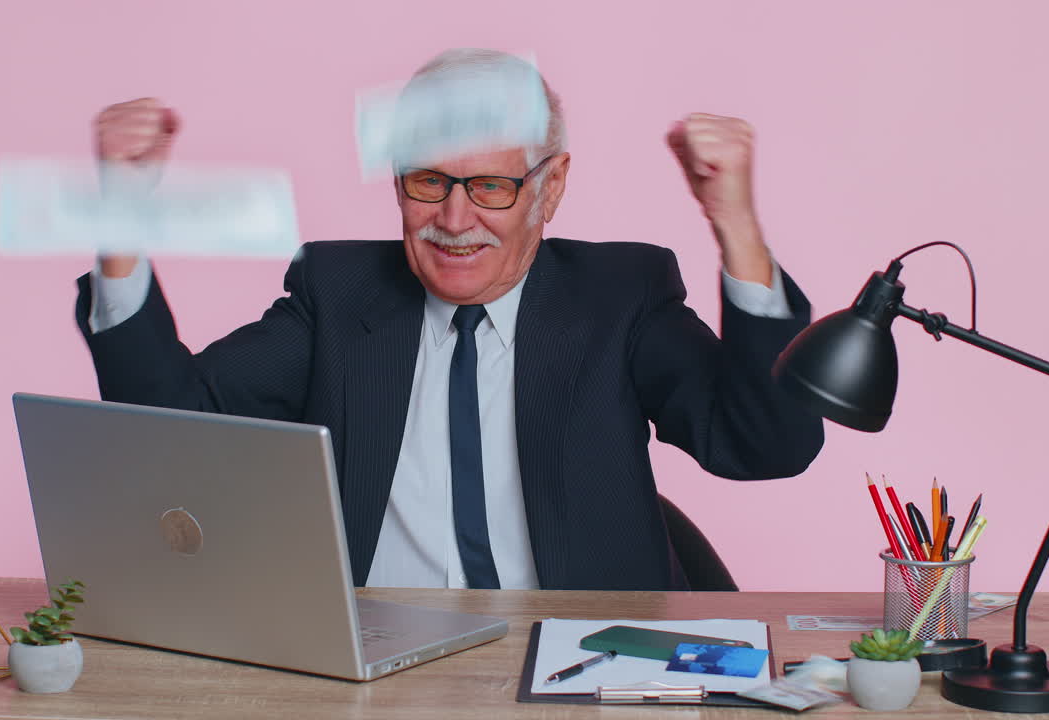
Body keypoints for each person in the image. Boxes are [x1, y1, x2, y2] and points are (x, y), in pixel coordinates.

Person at [75, 48, 824, 592]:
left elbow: (766, 444)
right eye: (429, 181)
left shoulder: (619, 296)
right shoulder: (337, 295)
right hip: (378, 668)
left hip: (580, 659)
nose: (455, 220)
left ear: (551, 187)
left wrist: (736, 226)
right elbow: (168, 428)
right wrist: (119, 223)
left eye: (491, 186)